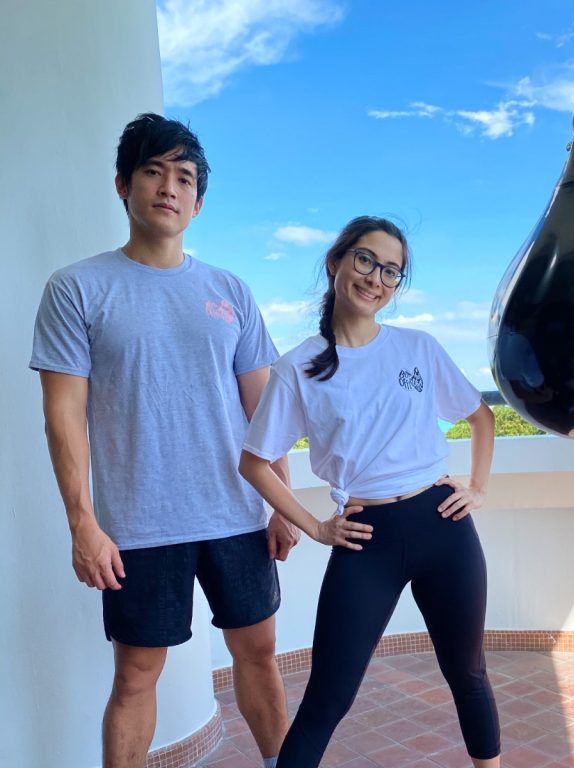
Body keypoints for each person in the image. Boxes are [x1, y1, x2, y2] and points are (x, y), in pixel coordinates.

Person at [29, 113, 298, 768]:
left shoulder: (230, 291)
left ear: (198, 201)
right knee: (135, 676)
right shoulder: (78, 288)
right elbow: (63, 414)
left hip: (237, 514)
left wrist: (284, 505)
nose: (168, 187)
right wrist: (82, 524)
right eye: (154, 171)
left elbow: (264, 407)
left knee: (258, 657)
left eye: (183, 177)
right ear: (124, 185)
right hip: (140, 525)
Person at [239, 216, 501, 767]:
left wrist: (476, 485)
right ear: (336, 261)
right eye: (366, 260)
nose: (376, 278)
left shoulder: (417, 348)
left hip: (443, 525)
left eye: (391, 271)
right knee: (327, 699)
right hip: (366, 539)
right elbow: (255, 462)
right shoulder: (299, 368)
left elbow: (481, 416)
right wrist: (314, 526)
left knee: (469, 673)